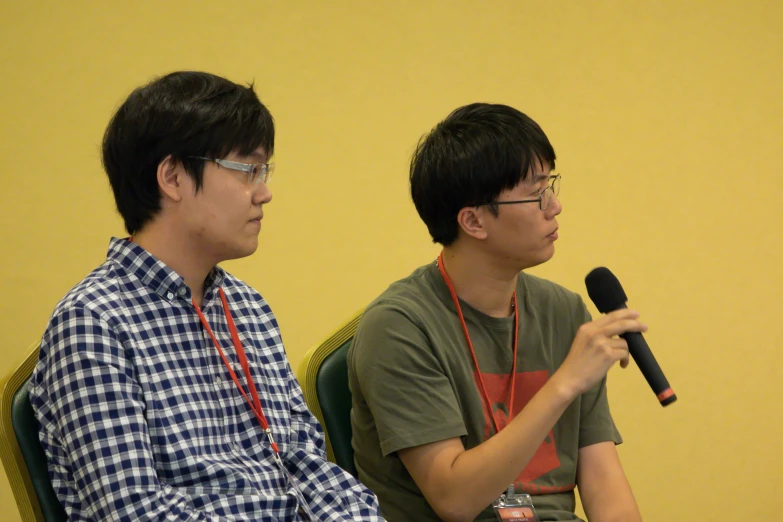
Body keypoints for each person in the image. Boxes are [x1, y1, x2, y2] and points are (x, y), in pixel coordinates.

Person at [30, 71, 383, 521]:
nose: (265, 193)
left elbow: (307, 469)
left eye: (265, 171)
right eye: (248, 170)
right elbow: (136, 513)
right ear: (173, 176)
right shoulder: (93, 324)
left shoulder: (246, 307)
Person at [348, 103, 644, 522]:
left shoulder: (563, 310)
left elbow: (604, 483)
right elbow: (454, 500)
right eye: (535, 192)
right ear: (473, 222)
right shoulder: (399, 326)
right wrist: (563, 384)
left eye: (551, 184)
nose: (554, 205)